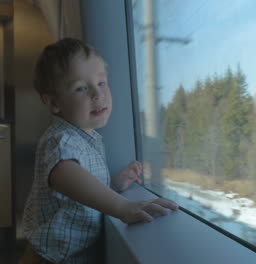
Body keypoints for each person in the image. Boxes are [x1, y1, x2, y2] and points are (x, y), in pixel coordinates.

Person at [19, 38, 178, 264]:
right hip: (49, 258)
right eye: (81, 88)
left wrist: (113, 186)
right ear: (54, 103)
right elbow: (64, 175)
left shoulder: (87, 138)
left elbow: (77, 196)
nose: (97, 94)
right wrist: (121, 206)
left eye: (102, 83)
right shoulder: (61, 139)